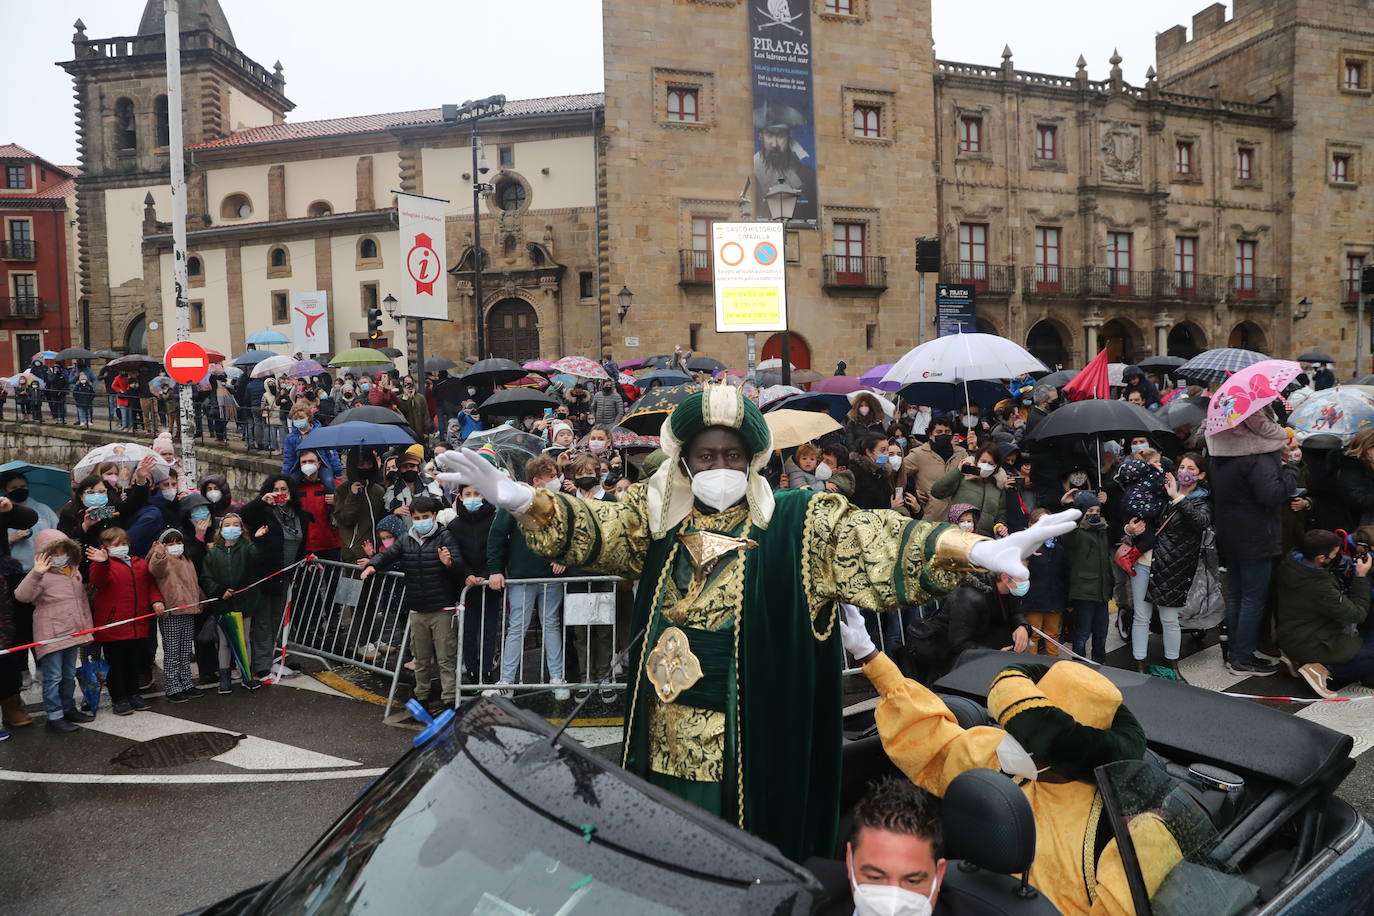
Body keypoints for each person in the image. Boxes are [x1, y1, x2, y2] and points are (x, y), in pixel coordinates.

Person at [435, 386, 1076, 862]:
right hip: (664, 732)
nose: (718, 466)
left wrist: (968, 550)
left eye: (731, 454)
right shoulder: (657, 517)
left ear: (753, 461)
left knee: (741, 857)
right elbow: (595, 531)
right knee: (665, 849)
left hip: (751, 741)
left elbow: (873, 539)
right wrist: (525, 500)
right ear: (685, 462)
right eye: (705, 454)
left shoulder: (799, 521)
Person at [843, 613, 1165, 916]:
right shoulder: (996, 758)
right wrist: (870, 656)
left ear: (1060, 756)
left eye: (1023, 736)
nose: (1007, 738)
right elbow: (930, 737)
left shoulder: (1122, 833)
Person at [1209, 406, 1294, 675]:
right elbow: (1272, 494)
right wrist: (1291, 468)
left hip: (1230, 533)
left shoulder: (1220, 454)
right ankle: (1242, 656)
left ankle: (1234, 651)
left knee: (1236, 593)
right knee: (1253, 598)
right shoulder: (1256, 457)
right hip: (1257, 535)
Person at [362, 495, 466, 714]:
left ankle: (450, 701)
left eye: (425, 517)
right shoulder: (406, 539)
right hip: (417, 609)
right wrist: (373, 565)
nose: (421, 521)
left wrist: (450, 563)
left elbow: (459, 569)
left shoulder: (445, 537)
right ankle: (422, 698)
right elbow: (388, 555)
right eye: (417, 517)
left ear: (434, 516)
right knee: (420, 659)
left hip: (442, 609)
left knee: (446, 659)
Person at [487, 456, 569, 699]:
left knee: (551, 625)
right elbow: (497, 537)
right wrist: (495, 569)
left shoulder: (560, 503)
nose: (557, 480)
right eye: (551, 477)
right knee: (517, 629)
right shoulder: (514, 503)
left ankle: (557, 677)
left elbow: (569, 534)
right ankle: (506, 681)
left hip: (548, 577)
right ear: (537, 481)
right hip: (522, 578)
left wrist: (563, 558)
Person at [813, 777, 946, 916]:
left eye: (913, 881)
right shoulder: (812, 898)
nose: (893, 903)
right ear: (849, 861)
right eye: (874, 877)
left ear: (940, 874)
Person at [1133, 453, 1213, 678]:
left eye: (1191, 467)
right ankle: (1139, 664)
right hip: (1144, 561)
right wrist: (1130, 529)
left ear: (1202, 474)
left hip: (1173, 567)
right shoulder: (1160, 492)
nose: (1184, 471)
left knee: (1170, 619)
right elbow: (1141, 517)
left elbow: (1201, 523)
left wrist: (1178, 497)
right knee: (1141, 616)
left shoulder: (1202, 500)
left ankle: (1173, 666)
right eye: (1182, 466)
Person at [13, 531, 95, 734]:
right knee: (53, 677)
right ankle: (54, 716)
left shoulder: (74, 570)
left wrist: (86, 630)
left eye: (63, 550)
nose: (60, 555)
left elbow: (82, 602)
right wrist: (36, 572)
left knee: (68, 675)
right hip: (51, 634)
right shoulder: (40, 574)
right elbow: (21, 596)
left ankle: (68, 708)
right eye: (54, 551)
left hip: (72, 632)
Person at [1276, 530, 1374, 699]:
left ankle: (1297, 659)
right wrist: (1360, 577)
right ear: (1321, 558)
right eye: (1334, 554)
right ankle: (1323, 670)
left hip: (1291, 634)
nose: (1337, 557)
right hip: (1314, 641)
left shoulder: (1292, 563)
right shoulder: (1319, 586)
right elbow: (1357, 614)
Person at [901, 566, 1030, 684]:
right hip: (948, 664)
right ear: (1004, 577)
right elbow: (959, 643)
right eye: (1022, 578)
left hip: (983, 656)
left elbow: (1016, 612)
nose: (1026, 581)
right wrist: (993, 654)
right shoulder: (969, 597)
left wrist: (1022, 626)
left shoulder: (1009, 592)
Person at [87, 527, 165, 715]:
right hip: (114, 624)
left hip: (137, 623)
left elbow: (150, 585)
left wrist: (156, 600)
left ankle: (134, 694)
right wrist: (103, 563)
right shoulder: (103, 564)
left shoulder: (139, 564)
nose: (121, 547)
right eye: (115, 545)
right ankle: (119, 698)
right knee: (116, 663)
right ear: (105, 547)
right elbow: (97, 581)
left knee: (134, 661)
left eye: (124, 543)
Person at [239, 476, 309, 678]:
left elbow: (301, 544)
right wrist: (261, 500)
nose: (280, 493)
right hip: (264, 574)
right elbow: (245, 515)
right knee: (263, 620)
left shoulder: (299, 515)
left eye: (284, 489)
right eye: (276, 489)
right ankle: (262, 665)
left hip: (285, 575)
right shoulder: (264, 512)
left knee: (277, 618)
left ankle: (275, 657)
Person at [199, 512, 267, 693]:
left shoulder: (248, 547)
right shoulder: (213, 554)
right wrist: (219, 590)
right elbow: (206, 578)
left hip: (245, 603)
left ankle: (247, 675)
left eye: (236, 524)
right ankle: (224, 677)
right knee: (224, 642)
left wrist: (257, 540)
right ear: (220, 530)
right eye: (227, 525)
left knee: (244, 640)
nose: (232, 528)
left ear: (241, 528)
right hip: (224, 604)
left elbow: (258, 560)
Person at [448, 484, 500, 685]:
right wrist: (467, 575)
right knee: (468, 632)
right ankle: (471, 671)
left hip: (490, 585)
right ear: (460, 497)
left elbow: (497, 550)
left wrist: (486, 575)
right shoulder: (454, 526)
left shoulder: (494, 520)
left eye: (477, 493)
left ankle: (487, 671)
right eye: (467, 494)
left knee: (489, 632)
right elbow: (455, 554)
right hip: (466, 588)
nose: (472, 497)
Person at [147, 529, 206, 702]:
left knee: (185, 650)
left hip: (190, 610)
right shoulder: (162, 560)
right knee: (172, 651)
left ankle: (187, 683)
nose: (175, 547)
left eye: (178, 543)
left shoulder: (186, 559)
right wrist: (158, 554)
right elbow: (155, 570)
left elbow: (193, 583)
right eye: (170, 543)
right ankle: (173, 686)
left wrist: (201, 599)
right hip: (171, 612)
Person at [1062, 491, 1114, 663]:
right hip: (1084, 592)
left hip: (1102, 591)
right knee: (1082, 633)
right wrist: (1070, 507)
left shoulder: (1102, 530)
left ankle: (1100, 663)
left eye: (1097, 511)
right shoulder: (1075, 533)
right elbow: (1068, 525)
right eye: (1089, 511)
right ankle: (1079, 665)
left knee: (1101, 633)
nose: (1094, 514)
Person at [896, 416, 967, 523]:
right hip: (930, 518)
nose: (943, 434)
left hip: (956, 518)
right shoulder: (918, 454)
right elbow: (898, 472)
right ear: (930, 434)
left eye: (947, 431)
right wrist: (912, 491)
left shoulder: (961, 454)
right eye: (939, 432)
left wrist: (973, 450)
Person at [930, 443, 1008, 537]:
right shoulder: (963, 477)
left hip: (981, 540)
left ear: (996, 466)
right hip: (955, 534)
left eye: (991, 463)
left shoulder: (998, 487)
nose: (986, 465)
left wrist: (1000, 527)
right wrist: (958, 472)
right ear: (977, 460)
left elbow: (1000, 515)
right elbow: (936, 492)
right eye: (983, 461)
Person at [1021, 506, 1067, 655]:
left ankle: (1053, 669)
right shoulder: (1025, 545)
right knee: (1033, 636)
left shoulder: (1058, 547)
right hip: (1033, 600)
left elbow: (1064, 574)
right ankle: (1030, 668)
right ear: (1030, 524)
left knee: (1053, 636)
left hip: (1054, 599)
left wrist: (1066, 600)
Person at [335, 448, 386, 567]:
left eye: (369, 464)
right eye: (361, 464)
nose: (366, 468)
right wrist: (352, 496)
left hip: (377, 551)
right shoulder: (342, 490)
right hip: (354, 554)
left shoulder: (378, 490)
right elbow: (345, 520)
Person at [291, 449, 341, 562]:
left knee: (332, 579)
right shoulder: (294, 488)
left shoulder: (335, 486)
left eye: (311, 461)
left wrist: (337, 502)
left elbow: (349, 509)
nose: (307, 464)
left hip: (330, 544)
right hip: (304, 545)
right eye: (304, 462)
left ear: (319, 464)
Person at [281, 402, 341, 480]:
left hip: (322, 464)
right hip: (299, 466)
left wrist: (337, 470)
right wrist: (285, 475)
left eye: (301, 418)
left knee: (328, 481)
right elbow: (289, 458)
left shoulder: (321, 433)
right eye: (295, 419)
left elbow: (331, 453)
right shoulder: (290, 438)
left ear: (308, 417)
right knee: (292, 482)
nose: (298, 420)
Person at [385, 443, 443, 520]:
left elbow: (442, 506)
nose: (409, 469)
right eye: (405, 467)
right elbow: (385, 513)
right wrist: (395, 511)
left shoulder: (430, 482)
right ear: (400, 470)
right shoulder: (392, 490)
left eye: (412, 466)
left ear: (418, 468)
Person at [848, 433, 896, 510]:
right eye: (883, 450)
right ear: (869, 452)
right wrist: (889, 506)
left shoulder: (882, 472)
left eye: (887, 450)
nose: (887, 454)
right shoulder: (854, 472)